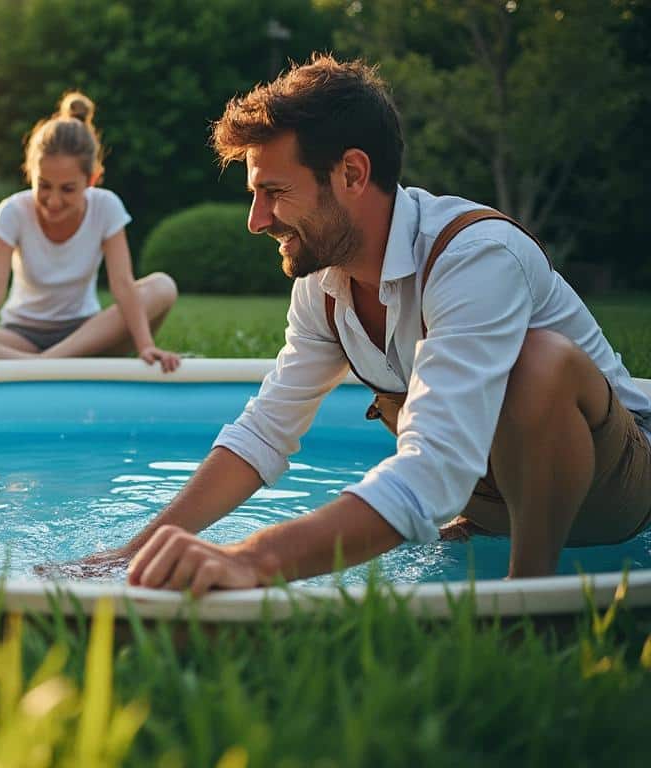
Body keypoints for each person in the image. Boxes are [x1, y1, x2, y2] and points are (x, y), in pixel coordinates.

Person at [53, 55, 651, 593]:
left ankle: (529, 603)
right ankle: (503, 545)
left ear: (352, 174)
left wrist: (253, 559)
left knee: (538, 362)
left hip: (615, 490)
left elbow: (435, 466)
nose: (255, 221)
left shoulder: (475, 256)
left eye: (275, 192)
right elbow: (264, 432)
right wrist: (131, 555)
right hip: (495, 501)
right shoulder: (324, 282)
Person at [0, 92, 182, 371]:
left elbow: (122, 284)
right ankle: (42, 363)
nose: (53, 201)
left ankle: (44, 364)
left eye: (68, 189)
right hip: (20, 337)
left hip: (85, 334)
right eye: (44, 186)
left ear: (91, 180)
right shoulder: (13, 211)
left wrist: (145, 345)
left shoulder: (106, 206)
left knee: (163, 286)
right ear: (30, 173)